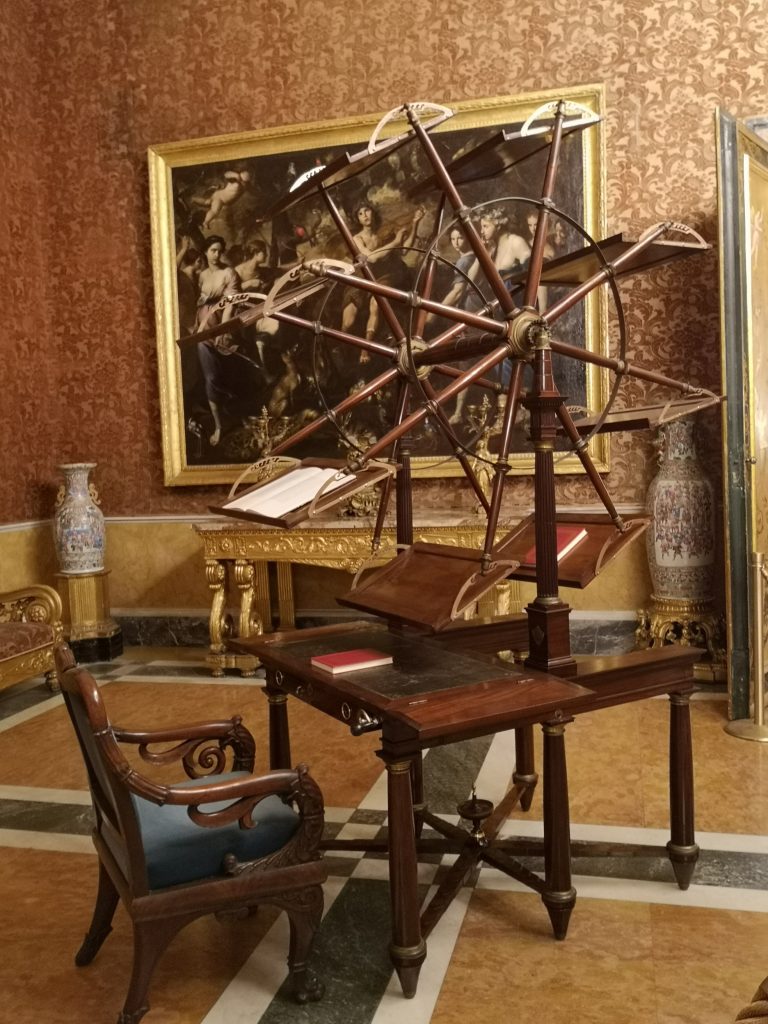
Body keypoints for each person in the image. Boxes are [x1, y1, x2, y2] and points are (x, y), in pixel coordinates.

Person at [195, 235, 251, 447]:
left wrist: (223, 331)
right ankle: (219, 426)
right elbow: (199, 303)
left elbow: (230, 304)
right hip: (203, 329)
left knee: (232, 375)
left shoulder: (229, 273)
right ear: (206, 252)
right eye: (212, 250)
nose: (216, 255)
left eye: (219, 250)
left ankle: (241, 415)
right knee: (210, 377)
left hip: (223, 327)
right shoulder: (201, 275)